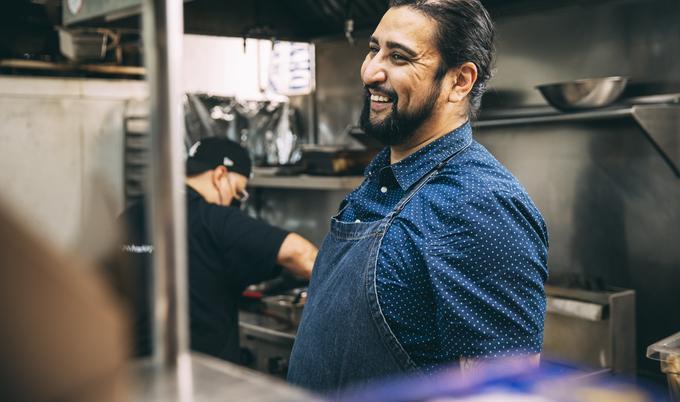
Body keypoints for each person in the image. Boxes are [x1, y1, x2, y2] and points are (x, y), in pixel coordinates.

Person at [287, 0, 549, 393]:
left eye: (399, 57)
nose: (370, 71)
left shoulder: (479, 204)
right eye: (374, 49)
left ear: (459, 81)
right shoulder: (384, 178)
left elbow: (503, 394)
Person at [119, 136, 317, 363]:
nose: (236, 202)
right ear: (220, 175)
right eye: (238, 192)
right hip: (203, 378)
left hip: (135, 372)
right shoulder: (215, 219)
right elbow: (301, 254)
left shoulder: (130, 215)